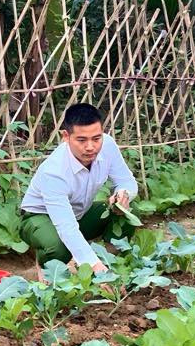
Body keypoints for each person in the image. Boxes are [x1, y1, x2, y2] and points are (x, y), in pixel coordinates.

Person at [20, 103, 140, 272]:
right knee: (57, 247)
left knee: (130, 210)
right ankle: (45, 268)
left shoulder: (108, 146)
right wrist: (93, 266)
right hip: (39, 218)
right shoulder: (54, 171)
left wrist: (122, 194)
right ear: (66, 137)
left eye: (96, 139)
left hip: (79, 215)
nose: (90, 147)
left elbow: (127, 181)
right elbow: (65, 226)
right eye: (82, 140)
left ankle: (108, 261)